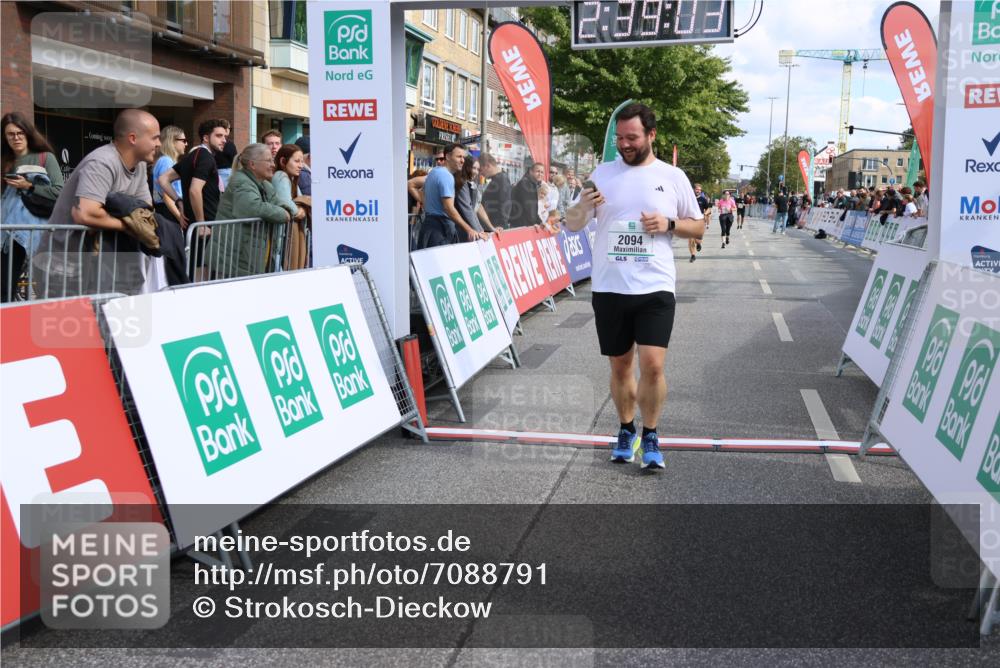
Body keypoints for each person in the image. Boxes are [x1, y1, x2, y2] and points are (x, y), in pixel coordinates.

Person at [564, 102, 704, 471]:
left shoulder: (672, 176)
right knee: (621, 365)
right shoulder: (602, 173)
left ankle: (652, 434)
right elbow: (574, 224)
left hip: (655, 285)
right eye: (620, 138)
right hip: (610, 286)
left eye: (632, 137)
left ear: (651, 135)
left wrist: (669, 224)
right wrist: (582, 204)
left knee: (653, 365)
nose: (624, 144)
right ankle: (627, 430)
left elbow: (699, 226)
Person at [34, 109, 161, 297]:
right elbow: (86, 213)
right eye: (155, 138)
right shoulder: (102, 162)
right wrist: (127, 225)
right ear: (133, 138)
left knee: (102, 320)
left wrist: (127, 219)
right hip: (61, 263)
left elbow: (143, 210)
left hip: (94, 264)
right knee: (65, 323)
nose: (159, 144)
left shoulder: (140, 165)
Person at [2, 112, 64, 301]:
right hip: (6, 230)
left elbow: (59, 191)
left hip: (36, 227)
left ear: (28, 133)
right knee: (5, 284)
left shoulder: (45, 157)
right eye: (10, 134)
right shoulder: (4, 161)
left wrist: (29, 185)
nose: (16, 138)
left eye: (20, 133)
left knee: (43, 285)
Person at [211, 143, 290, 277]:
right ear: (253, 164)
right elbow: (252, 208)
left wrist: (285, 210)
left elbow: (279, 203)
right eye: (269, 160)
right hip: (235, 256)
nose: (273, 164)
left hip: (248, 253)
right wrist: (283, 214)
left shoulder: (264, 184)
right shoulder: (241, 181)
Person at [417, 143, 488, 248]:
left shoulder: (434, 172)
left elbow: (422, 192)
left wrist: (429, 206)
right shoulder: (447, 176)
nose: (462, 161)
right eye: (459, 157)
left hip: (429, 226)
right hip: (440, 229)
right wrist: (469, 229)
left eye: (463, 157)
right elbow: (449, 208)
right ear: (448, 156)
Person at [454, 156, 501, 241]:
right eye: (473, 168)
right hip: (460, 230)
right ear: (466, 167)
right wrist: (480, 231)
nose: (476, 172)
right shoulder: (462, 183)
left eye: (478, 169)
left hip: (469, 230)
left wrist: (491, 228)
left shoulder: (472, 183)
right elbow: (468, 209)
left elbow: (478, 206)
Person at [152, 125, 186, 226]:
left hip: (169, 210)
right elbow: (166, 195)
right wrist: (179, 217)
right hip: (169, 211)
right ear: (172, 141)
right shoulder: (166, 161)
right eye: (183, 140)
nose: (186, 143)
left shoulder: (166, 160)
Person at [480, 154, 512, 230]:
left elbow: (505, 202)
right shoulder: (498, 178)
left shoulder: (501, 179)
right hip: (492, 226)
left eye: (480, 170)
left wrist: (501, 224)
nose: (480, 173)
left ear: (488, 166)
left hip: (496, 227)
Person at [510, 162, 545, 228]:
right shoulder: (525, 183)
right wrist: (534, 223)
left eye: (542, 172)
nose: (540, 174)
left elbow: (533, 210)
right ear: (531, 172)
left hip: (525, 224)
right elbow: (528, 208)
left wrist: (540, 222)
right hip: (521, 225)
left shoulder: (532, 184)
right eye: (538, 171)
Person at [689, 183, 710, 262]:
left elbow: (708, 209)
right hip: (690, 220)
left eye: (700, 190)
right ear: (694, 189)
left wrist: (705, 213)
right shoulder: (689, 199)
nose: (698, 191)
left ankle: (698, 244)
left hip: (700, 221)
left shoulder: (703, 199)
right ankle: (693, 255)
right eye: (697, 189)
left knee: (697, 240)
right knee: (691, 239)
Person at [216, 119, 237, 190]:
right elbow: (235, 159)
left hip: (216, 172)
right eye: (229, 129)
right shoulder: (229, 144)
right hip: (227, 173)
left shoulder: (214, 143)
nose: (230, 131)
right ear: (225, 129)